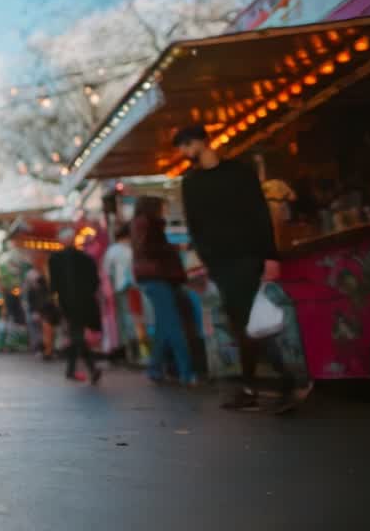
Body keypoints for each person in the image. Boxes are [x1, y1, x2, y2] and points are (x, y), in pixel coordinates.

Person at [173, 125, 301, 413]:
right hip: (221, 263)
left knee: (248, 323)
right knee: (243, 322)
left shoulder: (240, 173)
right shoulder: (190, 182)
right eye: (181, 146)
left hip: (247, 256)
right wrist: (207, 259)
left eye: (187, 143)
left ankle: (285, 381)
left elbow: (258, 213)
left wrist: (270, 256)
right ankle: (258, 386)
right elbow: (195, 225)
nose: (184, 151)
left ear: (205, 142)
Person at [131, 196, 197, 386]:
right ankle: (187, 372)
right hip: (157, 277)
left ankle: (155, 368)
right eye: (163, 207)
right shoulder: (151, 224)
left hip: (149, 278)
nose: (165, 211)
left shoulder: (138, 223)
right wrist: (176, 248)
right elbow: (153, 249)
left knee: (163, 326)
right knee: (174, 325)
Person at [49, 229, 103, 385]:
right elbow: (95, 281)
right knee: (76, 334)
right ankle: (80, 369)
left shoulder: (55, 259)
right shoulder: (85, 258)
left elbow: (54, 286)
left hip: (69, 304)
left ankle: (84, 369)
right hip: (84, 303)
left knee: (76, 334)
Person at [102, 224, 139, 363]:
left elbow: (106, 272)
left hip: (117, 288)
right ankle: (133, 346)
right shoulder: (130, 250)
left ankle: (125, 347)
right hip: (133, 287)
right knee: (131, 316)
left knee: (123, 318)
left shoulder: (112, 251)